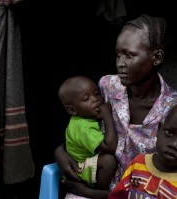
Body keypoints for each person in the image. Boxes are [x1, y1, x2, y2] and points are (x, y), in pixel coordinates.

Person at [54, 14, 177, 199]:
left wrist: (88, 192)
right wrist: (60, 151)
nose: (120, 63)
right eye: (118, 54)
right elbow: (82, 129)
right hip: (99, 184)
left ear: (157, 57)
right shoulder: (107, 87)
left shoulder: (172, 107)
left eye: (129, 55)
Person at [58, 76, 117, 199]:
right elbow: (110, 147)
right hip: (79, 171)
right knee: (108, 161)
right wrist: (107, 116)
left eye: (96, 93)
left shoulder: (85, 118)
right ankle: (99, 193)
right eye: (86, 99)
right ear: (72, 110)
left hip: (87, 166)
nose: (95, 100)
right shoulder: (82, 127)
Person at [108, 104, 177, 198]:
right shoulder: (139, 163)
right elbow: (118, 195)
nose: (173, 144)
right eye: (169, 132)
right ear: (159, 130)